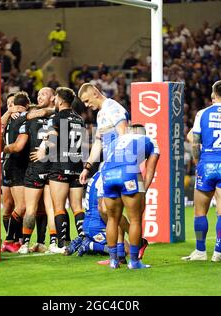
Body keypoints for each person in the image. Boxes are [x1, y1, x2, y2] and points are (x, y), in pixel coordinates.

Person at [182, 80, 221, 262]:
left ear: (213, 94)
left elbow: (195, 142)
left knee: (200, 212)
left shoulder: (202, 114)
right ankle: (218, 253)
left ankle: (200, 251)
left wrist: (198, 162)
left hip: (207, 163)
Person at [78, 83, 131, 261]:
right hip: (107, 165)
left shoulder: (112, 108)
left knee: (108, 209)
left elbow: (123, 132)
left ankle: (134, 240)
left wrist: (120, 161)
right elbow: (99, 144)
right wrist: (87, 167)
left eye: (87, 101)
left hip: (118, 164)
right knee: (106, 209)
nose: (86, 105)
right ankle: (120, 253)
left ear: (95, 93)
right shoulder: (101, 114)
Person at [4, 87, 60, 254]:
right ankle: (52, 242)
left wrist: (3, 148)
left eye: (43, 94)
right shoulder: (57, 117)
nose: (40, 96)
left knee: (29, 208)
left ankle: (23, 243)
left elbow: (19, 145)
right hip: (50, 166)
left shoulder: (28, 118)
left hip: (32, 166)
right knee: (49, 208)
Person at [31, 87, 85, 250]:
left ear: (60, 100)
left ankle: (63, 243)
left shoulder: (56, 117)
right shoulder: (79, 118)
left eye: (55, 98)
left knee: (59, 206)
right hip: (76, 165)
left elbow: (53, 139)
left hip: (60, 166)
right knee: (77, 207)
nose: (53, 100)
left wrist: (43, 149)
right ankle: (83, 238)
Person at [101, 124, 160, 269]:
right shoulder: (150, 140)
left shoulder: (116, 141)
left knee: (112, 219)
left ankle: (114, 261)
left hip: (107, 175)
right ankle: (134, 262)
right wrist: (143, 191)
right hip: (128, 173)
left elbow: (106, 161)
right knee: (135, 219)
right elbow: (150, 170)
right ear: (143, 133)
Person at [0, 92, 31, 253]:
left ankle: (15, 239)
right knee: (11, 206)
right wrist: (9, 112)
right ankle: (9, 239)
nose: (12, 106)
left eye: (13, 103)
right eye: (9, 104)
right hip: (9, 162)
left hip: (17, 163)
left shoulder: (21, 119)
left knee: (19, 206)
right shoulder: (6, 120)